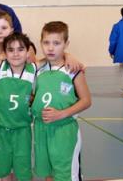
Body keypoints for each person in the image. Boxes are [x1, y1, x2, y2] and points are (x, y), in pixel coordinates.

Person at [32, 21, 91, 181]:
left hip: (64, 130)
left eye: (57, 43)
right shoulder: (37, 67)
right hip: (41, 129)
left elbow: (86, 101)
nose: (51, 48)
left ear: (66, 44)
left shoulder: (73, 69)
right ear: (41, 43)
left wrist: (61, 114)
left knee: (65, 175)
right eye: (46, 43)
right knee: (48, 173)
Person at [0, 33, 36, 181]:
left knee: (22, 171)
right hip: (0, 130)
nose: (16, 53)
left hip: (23, 131)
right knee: (3, 172)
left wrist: (68, 56)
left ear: (28, 51)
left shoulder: (35, 70)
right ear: (5, 53)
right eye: (11, 50)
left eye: (21, 49)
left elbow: (54, 59)